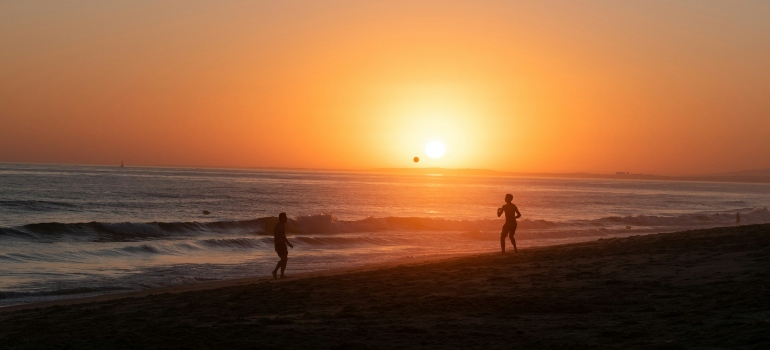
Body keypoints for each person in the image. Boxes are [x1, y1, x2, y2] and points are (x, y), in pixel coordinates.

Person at [272, 212, 293, 279]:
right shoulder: (277, 226)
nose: (286, 218)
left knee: (285, 259)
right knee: (283, 259)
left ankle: (282, 274)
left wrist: (289, 244)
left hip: (283, 244)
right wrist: (276, 247)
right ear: (281, 218)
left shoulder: (283, 225)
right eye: (285, 217)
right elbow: (276, 237)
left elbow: (284, 236)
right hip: (279, 244)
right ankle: (275, 271)